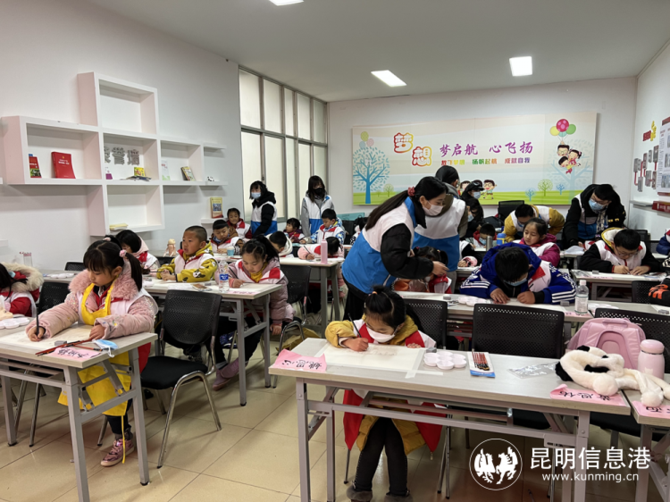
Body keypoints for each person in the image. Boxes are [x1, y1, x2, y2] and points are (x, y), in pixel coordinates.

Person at [26, 239, 158, 467]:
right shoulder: (84, 289)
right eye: (89, 270)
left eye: (96, 272)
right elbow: (66, 310)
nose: (90, 276)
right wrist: (44, 325)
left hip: (126, 355)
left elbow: (144, 320)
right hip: (93, 351)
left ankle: (123, 436)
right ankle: (109, 427)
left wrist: (109, 325)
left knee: (112, 389)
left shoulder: (135, 295)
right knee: (85, 382)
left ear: (116, 271)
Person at [326, 287, 441, 502]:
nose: (373, 332)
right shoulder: (361, 326)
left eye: (381, 329)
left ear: (399, 325)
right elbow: (332, 328)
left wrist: (420, 358)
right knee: (373, 439)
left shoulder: (418, 338)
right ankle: (362, 490)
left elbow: (436, 370)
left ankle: (397, 494)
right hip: (370, 404)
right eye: (371, 326)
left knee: (395, 443)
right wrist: (349, 341)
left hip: (403, 406)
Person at [342, 177, 449, 319]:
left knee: (354, 319)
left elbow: (388, 244)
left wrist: (405, 250)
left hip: (358, 267)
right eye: (439, 202)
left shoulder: (401, 207)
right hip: (366, 276)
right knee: (361, 323)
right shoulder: (400, 222)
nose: (441, 206)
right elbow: (396, 264)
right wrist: (430, 266)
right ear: (423, 200)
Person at [211, 237, 294, 390]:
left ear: (264, 258)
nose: (249, 267)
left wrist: (277, 321)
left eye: (254, 263)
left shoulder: (275, 274)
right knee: (211, 329)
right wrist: (230, 281)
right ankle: (221, 364)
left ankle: (240, 362)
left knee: (252, 334)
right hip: (240, 311)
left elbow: (279, 301)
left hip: (264, 314)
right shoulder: (238, 266)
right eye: (246, 262)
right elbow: (219, 274)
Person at [460, 243, 576, 305]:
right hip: (496, 318)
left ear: (529, 267)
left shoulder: (544, 268)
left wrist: (539, 296)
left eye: (518, 279)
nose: (514, 283)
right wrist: (490, 289)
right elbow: (465, 285)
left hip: (532, 320)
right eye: (508, 280)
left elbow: (572, 290)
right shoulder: (487, 268)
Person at [413, 188, 467, 279]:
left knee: (415, 286)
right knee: (446, 286)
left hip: (419, 256)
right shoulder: (460, 205)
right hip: (448, 258)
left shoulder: (418, 201)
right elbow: (462, 232)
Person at [563, 184, 626, 248]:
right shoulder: (578, 201)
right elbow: (571, 223)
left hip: (601, 238)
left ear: (608, 202)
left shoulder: (615, 207)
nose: (594, 203)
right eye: (593, 199)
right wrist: (573, 241)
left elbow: (615, 227)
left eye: (599, 202)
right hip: (578, 236)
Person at [579, 228, 662, 275]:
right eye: (622, 253)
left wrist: (647, 267)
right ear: (613, 244)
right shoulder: (600, 247)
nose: (627, 257)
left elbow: (656, 264)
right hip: (603, 287)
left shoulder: (642, 248)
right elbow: (584, 262)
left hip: (632, 288)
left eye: (632, 254)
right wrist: (612, 268)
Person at [298, 237, 346, 313]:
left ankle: (314, 315)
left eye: (328, 252)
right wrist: (306, 256)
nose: (325, 253)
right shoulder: (314, 248)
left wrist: (340, 293)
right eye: (324, 250)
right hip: (309, 283)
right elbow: (301, 250)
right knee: (305, 300)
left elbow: (339, 277)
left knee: (315, 302)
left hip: (323, 286)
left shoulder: (337, 258)